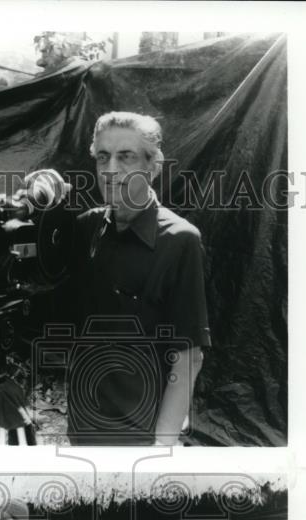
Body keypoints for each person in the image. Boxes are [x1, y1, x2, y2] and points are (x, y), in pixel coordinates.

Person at [68, 111, 211, 445]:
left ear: (152, 166)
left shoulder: (180, 240)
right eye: (103, 157)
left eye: (126, 157)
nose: (111, 169)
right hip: (83, 426)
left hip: (140, 437)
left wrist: (160, 448)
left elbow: (189, 357)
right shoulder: (86, 228)